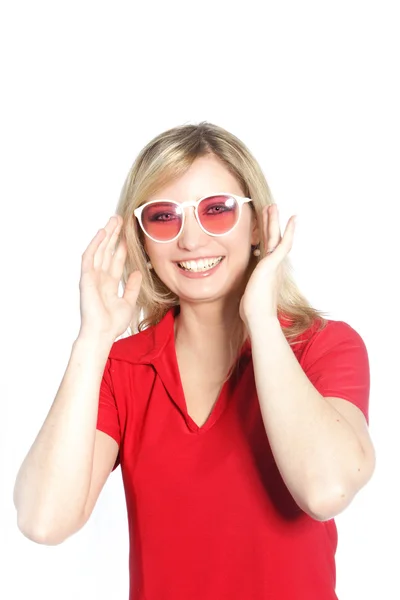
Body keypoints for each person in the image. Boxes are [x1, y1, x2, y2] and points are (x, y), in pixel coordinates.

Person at [13, 122, 376, 600]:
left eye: (217, 211)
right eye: (163, 217)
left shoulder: (322, 347)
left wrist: (262, 321)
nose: (190, 240)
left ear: (255, 226)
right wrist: (93, 338)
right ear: (141, 240)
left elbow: (327, 489)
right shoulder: (120, 369)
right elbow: (44, 520)